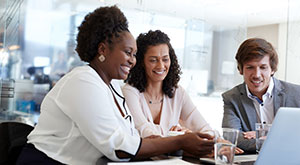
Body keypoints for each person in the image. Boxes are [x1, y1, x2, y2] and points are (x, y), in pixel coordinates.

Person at [16, 6, 214, 165]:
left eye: (135, 55)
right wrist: (179, 141)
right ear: (103, 49)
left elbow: (132, 140)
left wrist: (186, 144)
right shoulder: (82, 81)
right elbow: (120, 149)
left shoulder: (112, 87)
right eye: (128, 52)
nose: (133, 61)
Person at [123, 30, 213, 138]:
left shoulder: (178, 93)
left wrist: (219, 141)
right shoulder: (129, 92)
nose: (161, 66)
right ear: (141, 62)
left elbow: (205, 130)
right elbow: (143, 132)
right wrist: (179, 137)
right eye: (153, 60)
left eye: (165, 59)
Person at [222, 38, 300, 153]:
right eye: (250, 67)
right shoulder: (231, 98)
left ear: (272, 69)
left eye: (263, 67)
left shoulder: (296, 94)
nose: (257, 75)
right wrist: (276, 139)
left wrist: (267, 135)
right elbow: (232, 138)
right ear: (240, 69)